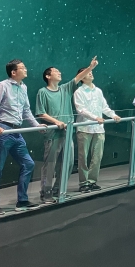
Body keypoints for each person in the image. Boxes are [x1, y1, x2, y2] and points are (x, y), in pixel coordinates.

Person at [36, 56, 98, 203]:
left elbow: (78, 78)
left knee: (68, 163)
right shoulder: (42, 92)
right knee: (50, 165)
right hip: (53, 134)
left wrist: (90, 67)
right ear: (48, 76)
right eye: (55, 71)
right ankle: (46, 193)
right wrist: (56, 122)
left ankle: (59, 190)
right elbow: (41, 113)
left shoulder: (65, 89)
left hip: (67, 133)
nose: (59, 72)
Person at [0, 59, 44, 214]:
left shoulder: (23, 87)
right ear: (13, 72)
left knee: (29, 164)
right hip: (3, 129)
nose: (26, 69)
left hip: (17, 131)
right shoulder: (2, 86)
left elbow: (26, 111)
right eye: (22, 68)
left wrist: (36, 125)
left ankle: (22, 200)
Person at [73, 66, 121, 193]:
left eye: (91, 72)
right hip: (84, 127)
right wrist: (95, 118)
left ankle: (92, 181)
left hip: (99, 129)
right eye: (87, 72)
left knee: (97, 156)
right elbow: (81, 109)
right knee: (83, 157)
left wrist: (113, 115)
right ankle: (83, 183)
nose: (90, 74)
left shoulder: (98, 91)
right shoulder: (79, 92)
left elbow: (104, 107)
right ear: (81, 77)